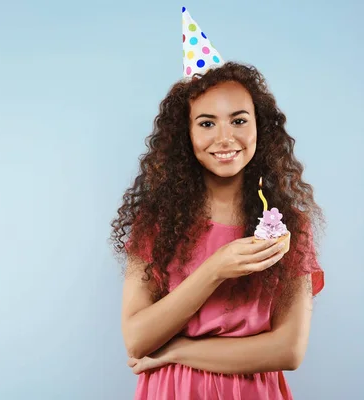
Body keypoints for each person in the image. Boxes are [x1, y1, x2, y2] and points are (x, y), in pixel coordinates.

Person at [110, 7, 325, 400]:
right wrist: (216, 269)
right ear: (185, 136)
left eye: (239, 120)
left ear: (261, 127)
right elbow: (137, 339)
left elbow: (288, 351)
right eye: (207, 123)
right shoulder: (155, 224)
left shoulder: (291, 226)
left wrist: (177, 350)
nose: (225, 137)